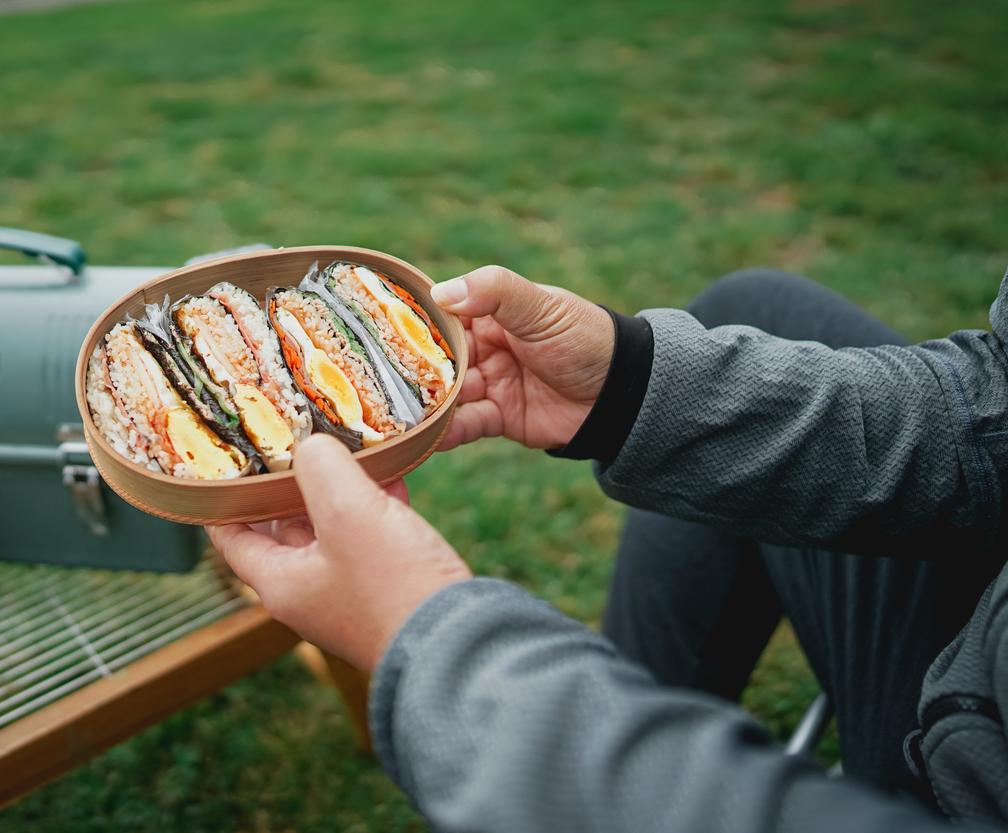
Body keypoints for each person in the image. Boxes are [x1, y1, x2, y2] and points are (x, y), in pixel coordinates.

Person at [208, 264, 1008, 833]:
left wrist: (422, 637)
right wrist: (633, 390)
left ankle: (596, 746)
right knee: (755, 302)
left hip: (954, 784)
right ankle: (635, 696)